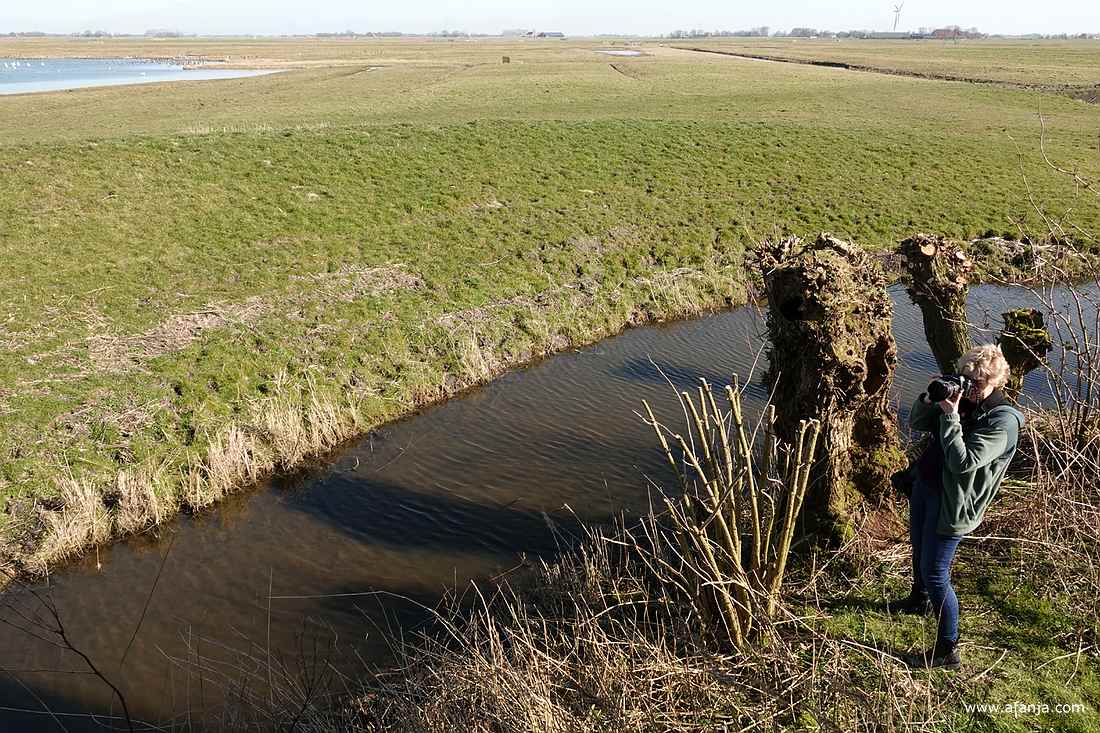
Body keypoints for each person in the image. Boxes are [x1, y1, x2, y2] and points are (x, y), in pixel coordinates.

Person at [886, 344, 1025, 670]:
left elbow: (965, 463)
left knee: (936, 574)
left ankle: (947, 650)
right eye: (966, 379)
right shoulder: (960, 400)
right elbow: (919, 423)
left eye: (978, 383)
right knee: (919, 551)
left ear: (996, 382)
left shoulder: (1003, 421)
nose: (969, 387)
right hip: (925, 486)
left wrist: (950, 417)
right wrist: (929, 399)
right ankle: (918, 601)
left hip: (953, 503)